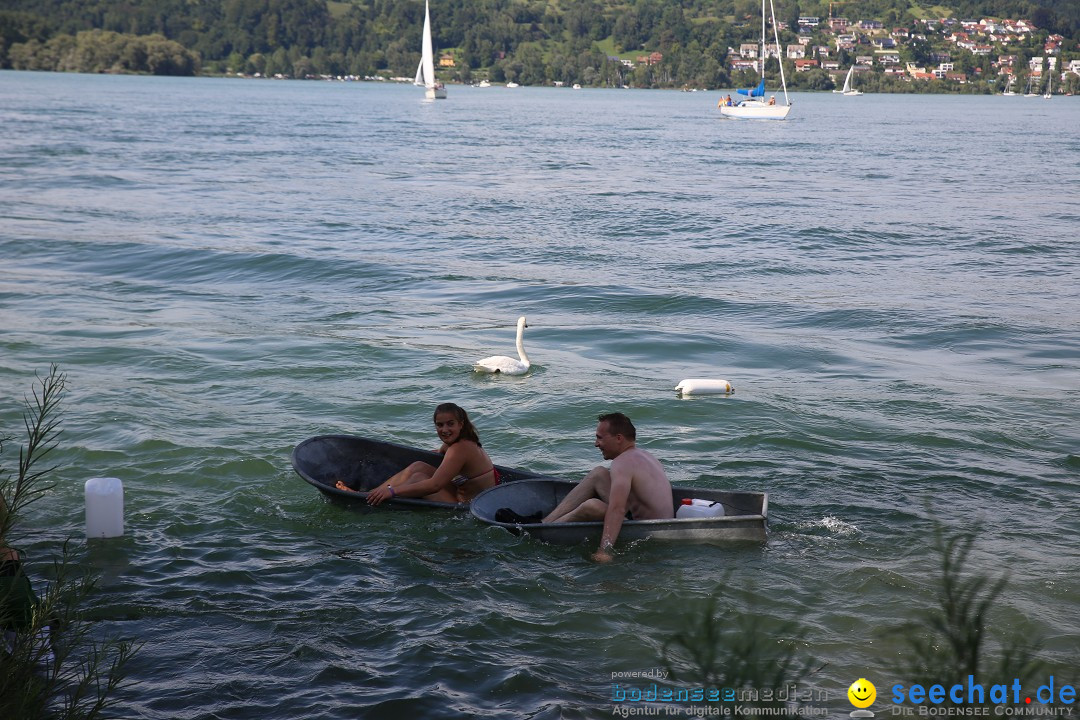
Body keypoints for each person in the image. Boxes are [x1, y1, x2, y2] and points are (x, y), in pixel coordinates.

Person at [541, 413, 673, 563]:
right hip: (654, 517)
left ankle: (544, 532)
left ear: (618, 438)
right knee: (599, 473)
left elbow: (617, 509)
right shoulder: (644, 455)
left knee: (591, 506)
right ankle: (546, 522)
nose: (596, 444)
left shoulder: (622, 463)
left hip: (648, 528)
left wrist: (605, 550)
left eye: (600, 438)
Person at [336, 403, 499, 505]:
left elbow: (435, 485)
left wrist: (392, 491)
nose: (444, 430)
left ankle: (374, 497)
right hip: (464, 494)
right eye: (439, 425)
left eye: (450, 424)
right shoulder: (458, 443)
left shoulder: (460, 449)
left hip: (468, 505)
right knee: (418, 466)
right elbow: (438, 453)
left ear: (461, 424)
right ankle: (368, 495)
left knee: (419, 478)